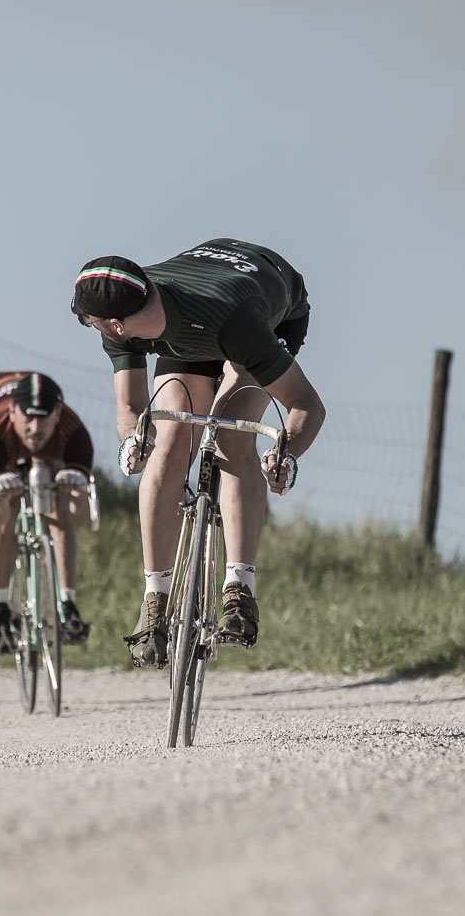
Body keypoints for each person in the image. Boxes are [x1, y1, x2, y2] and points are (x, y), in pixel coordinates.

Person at [70, 239, 326, 668]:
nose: (92, 328)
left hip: (255, 312)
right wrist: (135, 442)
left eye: (90, 323)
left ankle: (238, 590)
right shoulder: (131, 308)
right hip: (188, 330)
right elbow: (131, 409)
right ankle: (155, 599)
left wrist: (288, 454)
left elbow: (306, 406)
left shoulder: (236, 325)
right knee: (169, 444)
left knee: (231, 433)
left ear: (113, 324)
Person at [0, 371, 95, 654]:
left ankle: (67, 604)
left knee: (58, 507)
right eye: (28, 418)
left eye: (44, 418)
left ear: (58, 413)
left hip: (52, 451)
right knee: (5, 510)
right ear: (13, 411)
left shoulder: (74, 434)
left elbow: (84, 518)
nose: (35, 428)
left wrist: (75, 491)